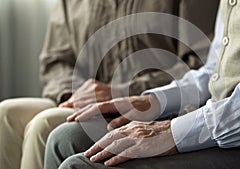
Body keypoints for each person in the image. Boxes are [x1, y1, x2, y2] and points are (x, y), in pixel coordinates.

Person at [45, 0, 240, 169]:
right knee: (64, 138)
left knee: (79, 166)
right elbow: (213, 70)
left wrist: (174, 133)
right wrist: (152, 100)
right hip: (220, 117)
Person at [0, 0, 219, 169]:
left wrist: (122, 91)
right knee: (7, 114)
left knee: (44, 124)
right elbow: (56, 59)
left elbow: (202, 64)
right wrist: (72, 95)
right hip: (79, 99)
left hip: (144, 102)